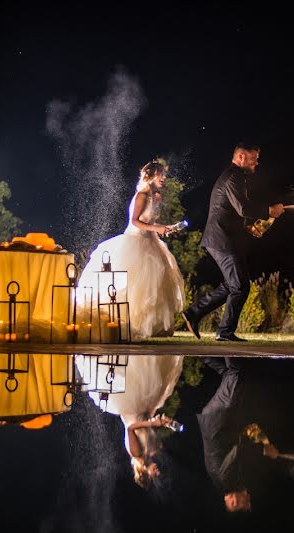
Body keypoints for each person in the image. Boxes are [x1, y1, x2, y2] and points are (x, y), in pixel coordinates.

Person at [181, 143, 285, 342]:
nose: (257, 162)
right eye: (253, 157)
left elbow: (232, 209)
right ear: (240, 157)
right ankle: (225, 332)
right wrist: (270, 211)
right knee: (240, 287)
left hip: (223, 238)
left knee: (232, 285)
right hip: (222, 240)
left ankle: (194, 313)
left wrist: (248, 227)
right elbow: (243, 209)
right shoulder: (233, 177)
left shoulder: (237, 177)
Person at [78, 161, 185, 340]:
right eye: (161, 174)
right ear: (150, 176)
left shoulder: (157, 197)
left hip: (152, 242)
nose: (164, 178)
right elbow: (135, 221)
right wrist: (155, 229)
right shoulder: (141, 196)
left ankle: (153, 325)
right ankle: (132, 322)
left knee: (156, 281)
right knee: (136, 283)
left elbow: (149, 223)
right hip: (136, 241)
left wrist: (164, 228)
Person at [80, 354, 185, 488]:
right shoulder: (150, 451)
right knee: (154, 377)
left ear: (143, 472)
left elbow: (130, 428)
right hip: (143, 407)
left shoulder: (136, 453)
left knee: (135, 371)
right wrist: (164, 422)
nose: (158, 472)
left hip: (131, 406)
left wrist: (152, 423)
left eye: (154, 475)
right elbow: (145, 422)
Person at [197, 357, 280, 512]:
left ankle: (224, 337)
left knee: (237, 374)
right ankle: (203, 353)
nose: (248, 496)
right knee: (228, 374)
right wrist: (265, 443)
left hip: (220, 416)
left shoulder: (227, 481)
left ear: (233, 503)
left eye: (246, 502)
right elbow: (247, 432)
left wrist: (266, 447)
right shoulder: (223, 482)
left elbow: (239, 448)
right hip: (219, 420)